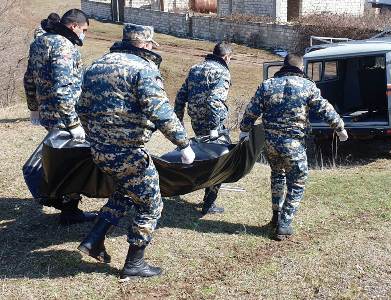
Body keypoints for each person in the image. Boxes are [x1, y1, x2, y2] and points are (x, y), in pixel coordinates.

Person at [76, 23, 195, 280]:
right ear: (144, 44)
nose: (152, 49)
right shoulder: (143, 69)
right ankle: (134, 263)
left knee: (126, 192)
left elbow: (81, 108)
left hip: (99, 150)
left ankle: (93, 240)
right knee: (151, 205)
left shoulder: (97, 65)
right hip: (128, 154)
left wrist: (96, 137)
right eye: (151, 44)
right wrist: (183, 144)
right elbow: (160, 111)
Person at [239, 54, 348, 240]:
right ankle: (284, 223)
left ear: (283, 66)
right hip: (293, 144)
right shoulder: (307, 86)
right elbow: (325, 109)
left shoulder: (267, 85)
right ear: (301, 68)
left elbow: (251, 110)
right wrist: (340, 128)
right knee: (297, 182)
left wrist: (244, 130)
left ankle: (276, 215)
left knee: (277, 175)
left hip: (270, 144)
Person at [23, 9, 96, 225]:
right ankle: (67, 208)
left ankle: (67, 207)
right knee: (71, 162)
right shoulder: (64, 46)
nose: (84, 34)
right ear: (73, 26)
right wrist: (73, 123)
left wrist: (34, 107)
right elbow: (62, 88)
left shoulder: (40, 42)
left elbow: (29, 78)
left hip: (48, 112)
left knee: (63, 159)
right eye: (83, 30)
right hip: (65, 115)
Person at [174, 42, 232, 215]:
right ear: (226, 57)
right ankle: (209, 203)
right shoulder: (223, 72)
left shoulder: (196, 68)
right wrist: (215, 128)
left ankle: (201, 191)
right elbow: (214, 100)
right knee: (219, 161)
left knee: (206, 158)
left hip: (196, 121)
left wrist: (178, 122)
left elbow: (181, 95)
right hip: (213, 124)